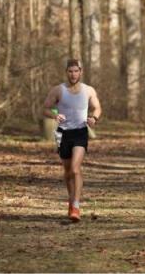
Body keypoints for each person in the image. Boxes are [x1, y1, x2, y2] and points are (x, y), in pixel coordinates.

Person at [43, 59, 102, 222]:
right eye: (70, 71)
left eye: (76, 71)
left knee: (76, 169)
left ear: (81, 72)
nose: (73, 74)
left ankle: (76, 206)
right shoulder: (58, 90)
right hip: (63, 134)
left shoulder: (88, 90)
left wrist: (94, 118)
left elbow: (97, 107)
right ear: (66, 72)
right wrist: (55, 115)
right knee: (68, 171)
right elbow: (46, 108)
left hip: (80, 133)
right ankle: (71, 202)